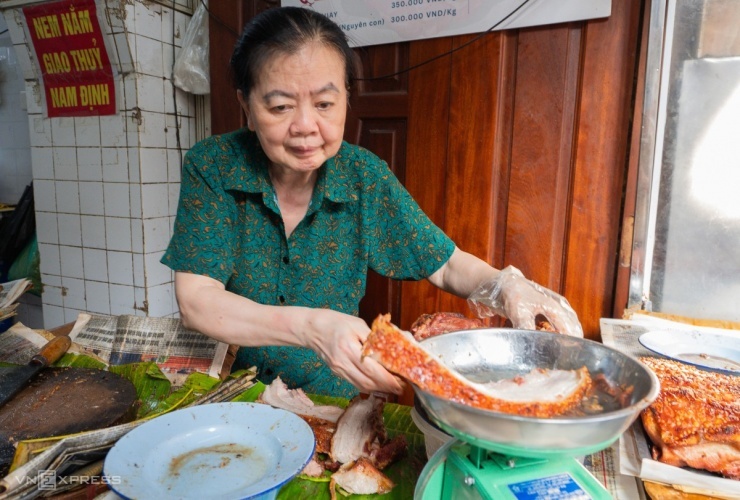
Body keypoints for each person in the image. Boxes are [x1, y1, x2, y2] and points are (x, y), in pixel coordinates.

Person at [161, 6, 582, 399]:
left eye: (325, 104)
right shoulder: (213, 166)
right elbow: (197, 300)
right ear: (247, 108)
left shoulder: (363, 176)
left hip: (329, 396)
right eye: (280, 106)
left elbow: (446, 263)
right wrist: (312, 326)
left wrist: (505, 284)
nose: (306, 126)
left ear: (346, 98)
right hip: (232, 391)